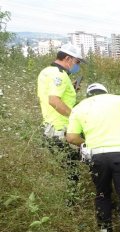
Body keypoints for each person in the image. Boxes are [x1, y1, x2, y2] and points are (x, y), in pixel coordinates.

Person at [66, 83, 120, 232]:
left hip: (97, 157)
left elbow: (71, 137)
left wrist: (86, 144)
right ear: (105, 92)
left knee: (102, 193)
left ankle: (105, 230)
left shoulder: (79, 107)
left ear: (89, 95)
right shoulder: (119, 100)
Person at [37, 43, 84, 204]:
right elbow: (54, 100)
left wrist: (72, 90)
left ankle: (71, 202)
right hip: (61, 130)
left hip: (48, 128)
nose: (77, 66)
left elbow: (52, 95)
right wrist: (75, 116)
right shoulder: (61, 75)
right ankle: (71, 204)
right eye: (77, 62)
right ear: (68, 58)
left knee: (69, 167)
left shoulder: (45, 72)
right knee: (73, 170)